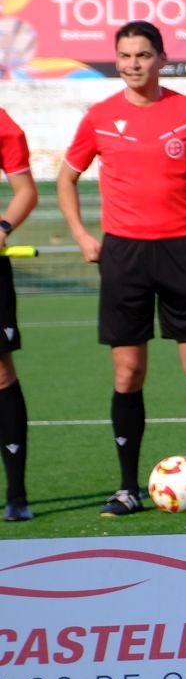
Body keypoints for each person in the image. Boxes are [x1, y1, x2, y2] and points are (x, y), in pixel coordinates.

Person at [55, 21, 186, 516]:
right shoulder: (99, 117)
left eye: (142, 55)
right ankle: (126, 488)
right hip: (124, 255)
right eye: (125, 56)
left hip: (182, 250)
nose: (133, 64)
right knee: (127, 372)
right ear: (116, 61)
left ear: (161, 58)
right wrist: (81, 234)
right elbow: (66, 179)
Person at [0, 107, 38, 521]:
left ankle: (16, 494)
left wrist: (3, 227)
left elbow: (25, 190)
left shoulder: (3, 122)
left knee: (1, 374)